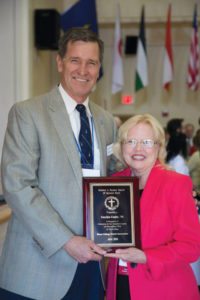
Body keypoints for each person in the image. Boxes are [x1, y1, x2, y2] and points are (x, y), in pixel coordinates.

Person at [0, 28, 117, 300]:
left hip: (93, 266)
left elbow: (115, 182)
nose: (83, 70)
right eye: (75, 60)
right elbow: (19, 186)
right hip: (37, 269)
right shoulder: (28, 113)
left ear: (99, 68)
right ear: (60, 62)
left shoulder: (107, 122)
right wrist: (66, 240)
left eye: (92, 63)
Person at [105, 114, 200, 300]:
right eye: (131, 141)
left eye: (147, 141)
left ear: (159, 146)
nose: (138, 148)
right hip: (120, 286)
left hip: (163, 288)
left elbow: (191, 246)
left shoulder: (176, 184)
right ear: (121, 146)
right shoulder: (112, 184)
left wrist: (147, 257)